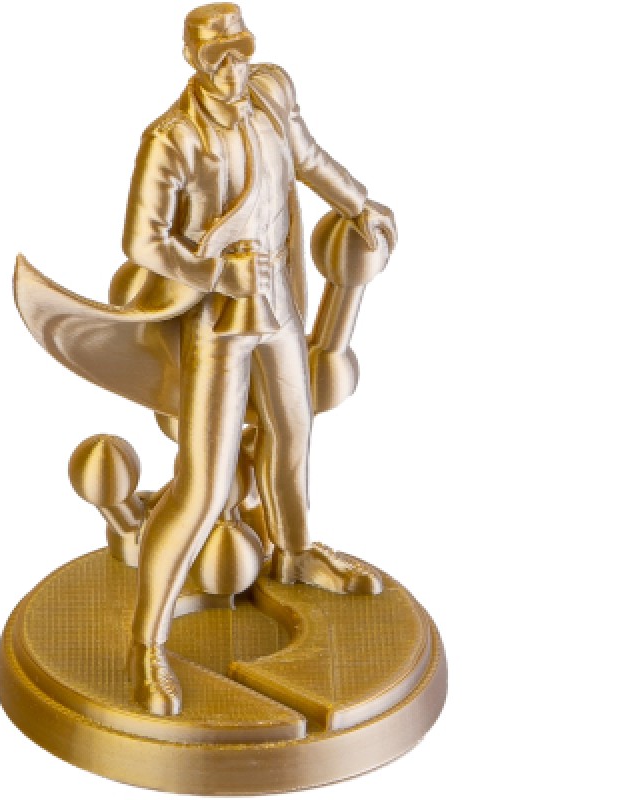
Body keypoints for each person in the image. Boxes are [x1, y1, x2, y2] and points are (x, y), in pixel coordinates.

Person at [123, 3, 398, 716]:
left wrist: (359, 202)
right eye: (215, 57)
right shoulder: (172, 138)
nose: (231, 67)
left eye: (239, 51)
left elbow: (307, 158)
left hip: (277, 305)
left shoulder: (272, 91)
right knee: (204, 486)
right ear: (192, 60)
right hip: (217, 321)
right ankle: (147, 645)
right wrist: (217, 274)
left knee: (294, 431)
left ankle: (295, 554)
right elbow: (143, 241)